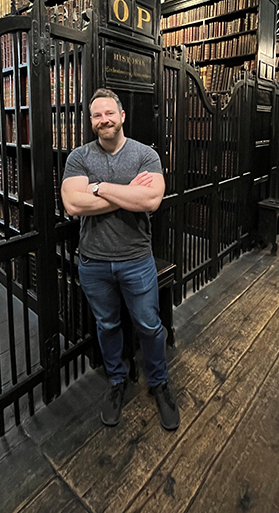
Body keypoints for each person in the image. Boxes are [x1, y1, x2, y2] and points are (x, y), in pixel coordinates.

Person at [60, 88, 180, 430]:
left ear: (122, 115)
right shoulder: (79, 157)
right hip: (93, 263)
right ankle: (117, 381)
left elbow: (152, 200)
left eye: (109, 113)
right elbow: (72, 205)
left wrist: (97, 187)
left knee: (148, 324)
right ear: (91, 121)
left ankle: (159, 382)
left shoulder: (145, 155)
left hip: (136, 260)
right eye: (96, 116)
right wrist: (128, 191)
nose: (103, 120)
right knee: (107, 325)